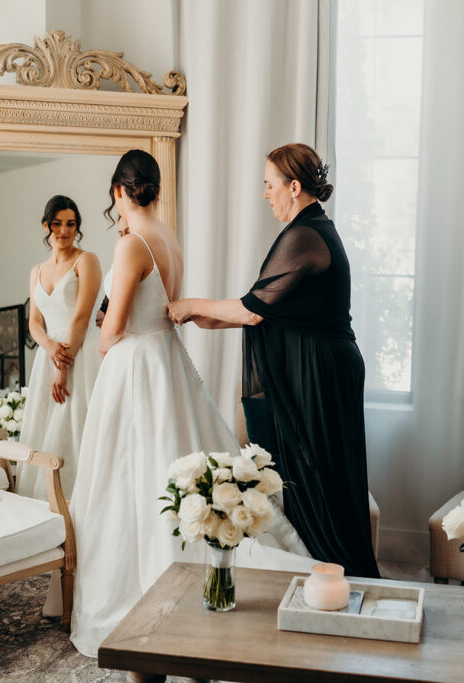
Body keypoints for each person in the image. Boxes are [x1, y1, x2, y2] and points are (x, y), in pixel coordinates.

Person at [67, 150, 311, 657]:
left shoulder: (131, 244)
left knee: (125, 478)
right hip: (167, 360)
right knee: (171, 460)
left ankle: (148, 601)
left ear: (119, 192)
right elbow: (164, 308)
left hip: (135, 367)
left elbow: (114, 329)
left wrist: (102, 340)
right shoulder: (168, 239)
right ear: (154, 189)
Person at [168, 143, 380, 579]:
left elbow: (252, 309)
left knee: (321, 478)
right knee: (314, 478)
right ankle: (324, 572)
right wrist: (212, 318)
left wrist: (191, 305)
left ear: (295, 187)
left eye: (269, 185)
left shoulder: (305, 234)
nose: (265, 194)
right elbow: (273, 308)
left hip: (322, 373)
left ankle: (343, 573)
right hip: (320, 366)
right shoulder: (312, 228)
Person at [15, 195, 102, 500]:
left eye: (71, 224)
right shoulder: (37, 271)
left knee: (76, 425)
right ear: (46, 225)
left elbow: (81, 317)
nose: (64, 230)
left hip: (80, 354)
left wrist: (62, 365)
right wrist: (50, 347)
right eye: (57, 224)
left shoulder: (86, 260)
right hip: (48, 356)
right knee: (45, 428)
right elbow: (34, 323)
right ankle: (44, 503)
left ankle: (78, 501)